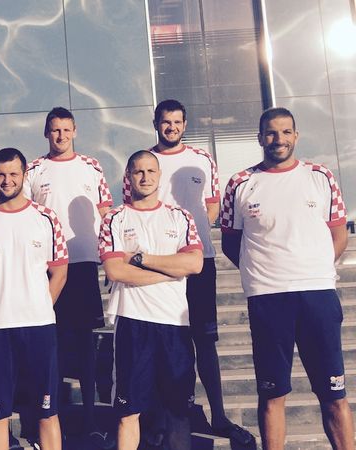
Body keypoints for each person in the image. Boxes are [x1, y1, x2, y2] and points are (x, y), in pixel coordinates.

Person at [221, 107, 353, 450]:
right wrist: (264, 272)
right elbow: (231, 243)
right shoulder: (240, 183)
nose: (278, 139)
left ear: (296, 135)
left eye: (285, 132)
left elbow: (339, 234)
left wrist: (314, 267)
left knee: (334, 394)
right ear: (259, 137)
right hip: (268, 299)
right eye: (270, 132)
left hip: (317, 296)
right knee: (272, 394)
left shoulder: (320, 177)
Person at [121, 99, 253, 444]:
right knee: (162, 344)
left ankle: (218, 414)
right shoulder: (143, 163)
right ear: (155, 123)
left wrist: (186, 241)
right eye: (166, 122)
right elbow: (130, 209)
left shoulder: (201, 160)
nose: (172, 127)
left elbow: (212, 207)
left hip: (197, 262)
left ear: (185, 124)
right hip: (155, 268)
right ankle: (159, 419)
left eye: (177, 122)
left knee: (204, 341)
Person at [0, 148, 67, 450]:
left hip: (39, 326)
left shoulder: (46, 218)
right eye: (1, 175)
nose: (7, 181)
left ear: (24, 175)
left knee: (47, 412)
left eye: (13, 174)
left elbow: (59, 272)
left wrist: (39, 304)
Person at [100, 150, 203, 450]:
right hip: (133, 323)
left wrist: (142, 259)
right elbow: (116, 271)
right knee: (128, 413)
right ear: (128, 177)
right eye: (138, 172)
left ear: (159, 176)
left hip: (174, 324)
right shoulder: (115, 219)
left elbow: (194, 264)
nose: (145, 177)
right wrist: (171, 272)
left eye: (150, 171)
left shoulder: (180, 217)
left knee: (178, 412)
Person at [23, 107, 113, 447]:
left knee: (86, 345)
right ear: (46, 133)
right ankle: (50, 422)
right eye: (54, 130)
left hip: (84, 264)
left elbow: (106, 214)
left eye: (65, 129)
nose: (60, 135)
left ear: (74, 131)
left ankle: (90, 420)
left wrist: (110, 258)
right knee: (51, 344)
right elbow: (25, 216)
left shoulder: (91, 166)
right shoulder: (34, 170)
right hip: (48, 268)